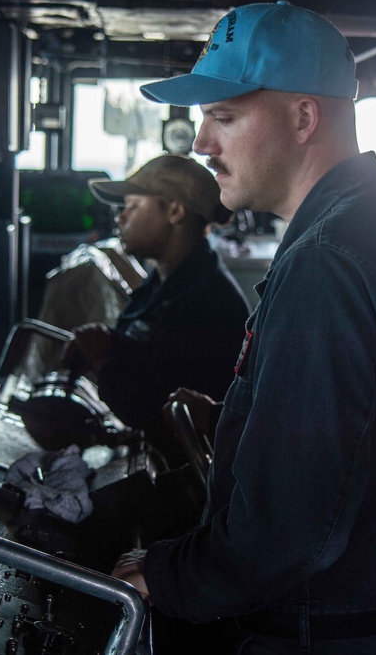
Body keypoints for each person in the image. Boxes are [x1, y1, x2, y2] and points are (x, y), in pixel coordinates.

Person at [111, 2, 376, 654]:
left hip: (320, 636)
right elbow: (358, 435)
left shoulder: (329, 260)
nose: (201, 145)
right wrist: (248, 420)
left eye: (224, 117)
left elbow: (290, 531)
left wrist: (166, 573)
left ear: (304, 117)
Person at [63, 154, 250, 466]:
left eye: (132, 206)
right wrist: (110, 342)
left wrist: (100, 360)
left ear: (175, 210)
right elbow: (148, 352)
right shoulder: (165, 280)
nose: (120, 218)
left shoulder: (205, 302)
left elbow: (152, 411)